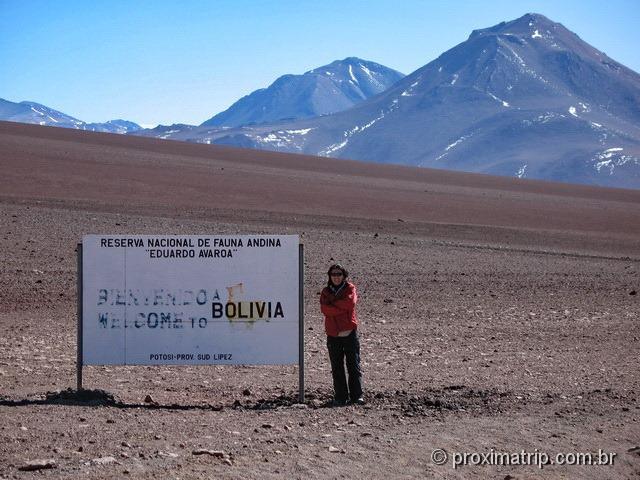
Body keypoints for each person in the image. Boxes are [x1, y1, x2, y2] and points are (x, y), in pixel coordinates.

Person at [319, 263, 364, 406]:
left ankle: (357, 396)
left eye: (339, 274)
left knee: (353, 366)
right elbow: (326, 310)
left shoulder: (350, 288)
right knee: (337, 367)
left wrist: (334, 304)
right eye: (333, 274)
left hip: (349, 332)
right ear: (330, 276)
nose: (336, 277)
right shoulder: (326, 291)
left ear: (344, 276)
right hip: (333, 334)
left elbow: (350, 303)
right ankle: (340, 396)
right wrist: (339, 306)